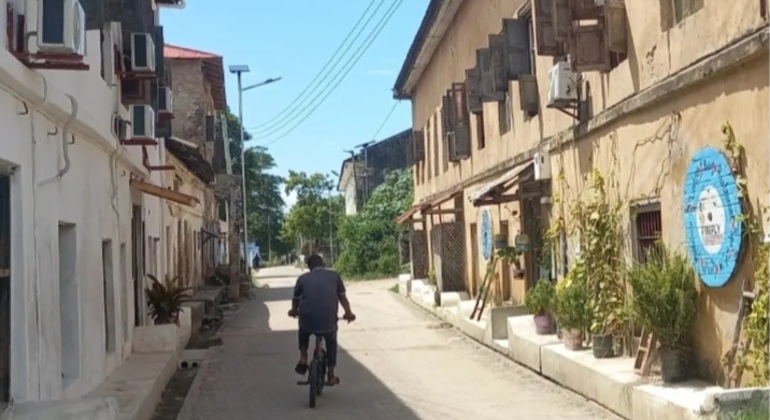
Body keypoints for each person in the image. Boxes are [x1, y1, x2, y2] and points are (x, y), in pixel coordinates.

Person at [288, 254, 355, 385]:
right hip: (328, 321)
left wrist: (294, 311)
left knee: (303, 332)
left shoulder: (302, 279)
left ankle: (303, 357)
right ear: (323, 265)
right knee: (331, 341)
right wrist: (348, 313)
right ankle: (331, 375)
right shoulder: (335, 276)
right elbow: (342, 298)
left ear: (308, 267)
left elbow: (295, 300)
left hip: (307, 320)